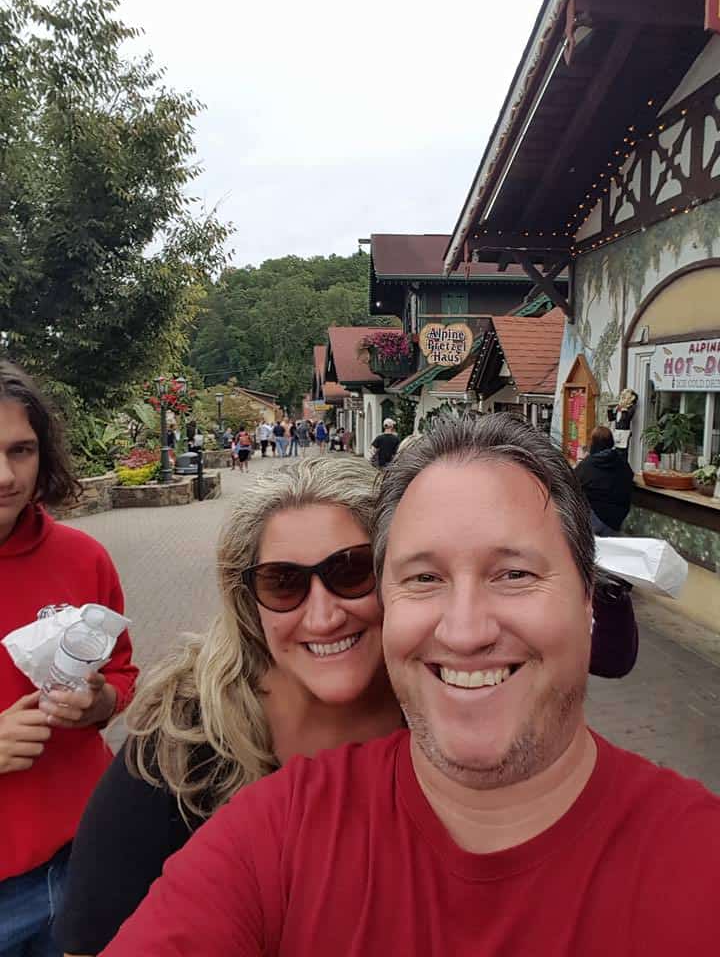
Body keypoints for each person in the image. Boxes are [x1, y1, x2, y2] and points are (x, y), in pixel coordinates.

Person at [97, 415, 710, 957]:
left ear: (588, 600)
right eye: (424, 578)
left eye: (515, 573)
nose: (466, 631)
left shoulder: (695, 862)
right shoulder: (274, 831)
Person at [56, 456, 403, 956]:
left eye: (352, 573)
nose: (323, 616)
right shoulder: (189, 737)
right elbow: (91, 939)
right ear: (249, 600)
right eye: (284, 583)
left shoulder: (438, 710)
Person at [0, 360, 138, 957]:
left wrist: (100, 702)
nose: (4, 475)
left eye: (21, 450)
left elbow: (121, 674)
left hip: (82, 860)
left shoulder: (84, 559)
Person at [575, 425, 635, 536]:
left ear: (593, 443)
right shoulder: (622, 462)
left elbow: (573, 485)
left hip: (593, 519)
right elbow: (629, 478)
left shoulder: (587, 465)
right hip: (616, 520)